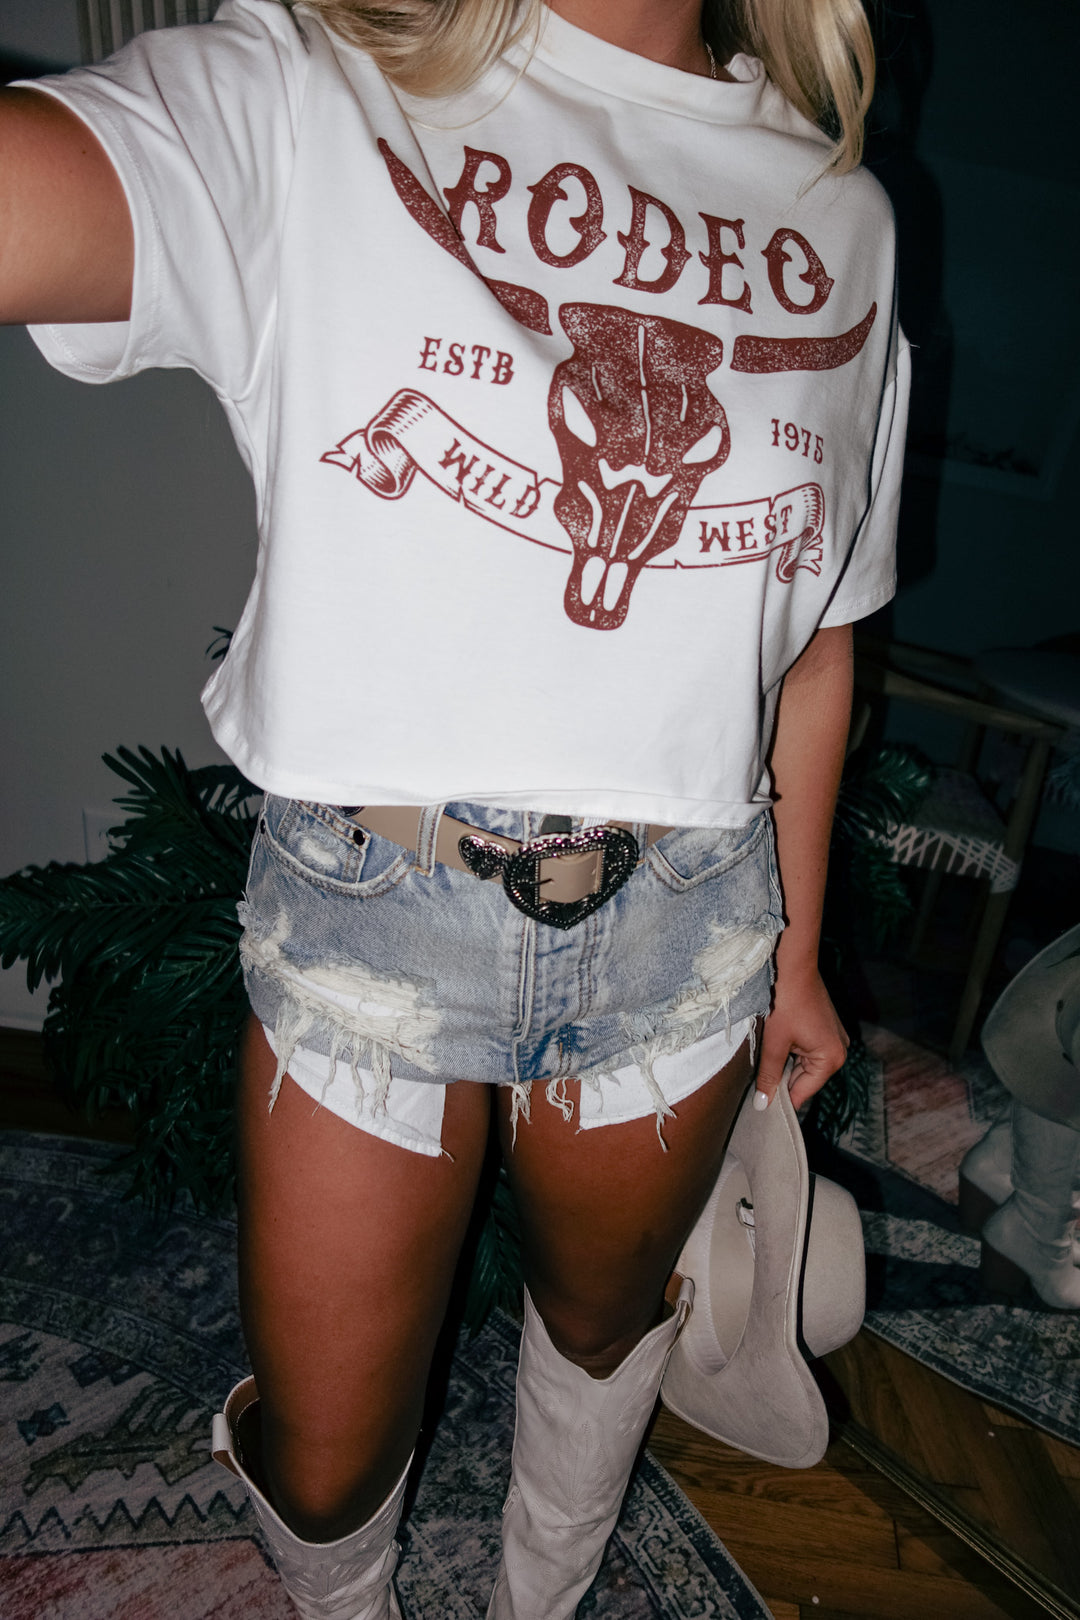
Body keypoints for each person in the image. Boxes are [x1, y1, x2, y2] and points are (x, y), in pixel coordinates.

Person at [0, 1, 908, 1614]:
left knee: (602, 1334)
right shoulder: (311, 88)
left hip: (684, 930)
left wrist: (795, 957)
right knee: (326, 1461)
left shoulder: (840, 213)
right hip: (373, 918)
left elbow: (818, 644)